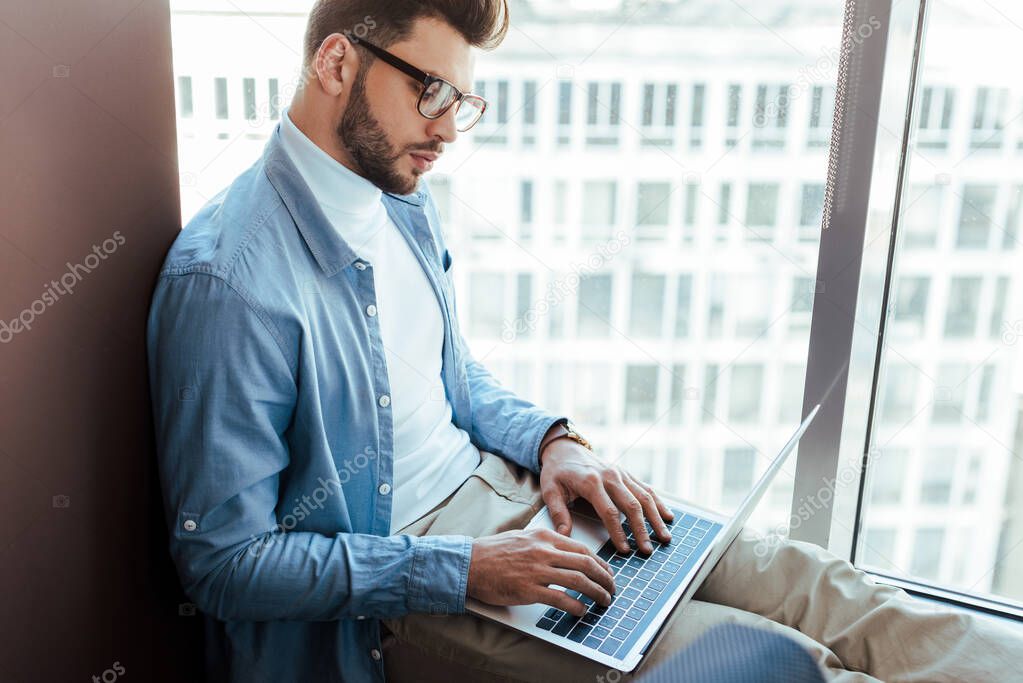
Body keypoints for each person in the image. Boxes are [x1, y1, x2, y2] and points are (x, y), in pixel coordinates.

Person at [147, 1, 1023, 681]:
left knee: (835, 593)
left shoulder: (396, 200)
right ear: (335, 61)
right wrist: (463, 570)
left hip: (520, 496)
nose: (448, 127)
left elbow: (444, 381)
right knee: (775, 661)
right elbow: (224, 564)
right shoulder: (228, 283)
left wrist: (551, 441)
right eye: (430, 90)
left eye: (461, 99)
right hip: (407, 587)